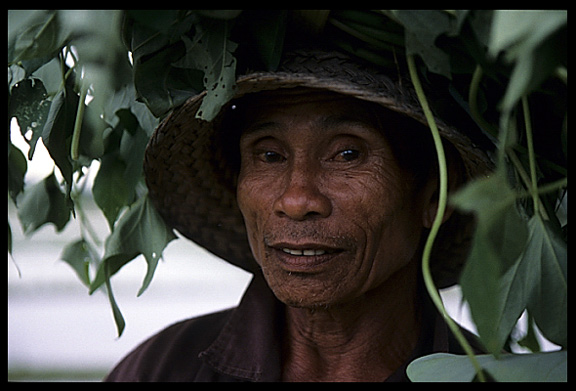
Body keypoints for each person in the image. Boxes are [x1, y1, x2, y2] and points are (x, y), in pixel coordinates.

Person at [105, 50, 492, 382]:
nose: (296, 200)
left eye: (347, 154)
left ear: (433, 195)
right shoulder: (163, 370)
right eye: (269, 155)